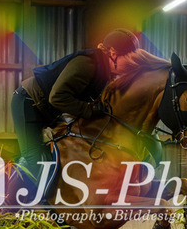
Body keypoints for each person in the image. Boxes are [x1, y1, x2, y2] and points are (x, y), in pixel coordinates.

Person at [11, 28, 140, 177]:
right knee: (34, 160)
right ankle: (9, 189)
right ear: (113, 53)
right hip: (28, 102)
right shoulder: (87, 64)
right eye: (129, 58)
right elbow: (57, 97)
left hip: (50, 108)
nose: (132, 64)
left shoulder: (105, 72)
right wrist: (90, 111)